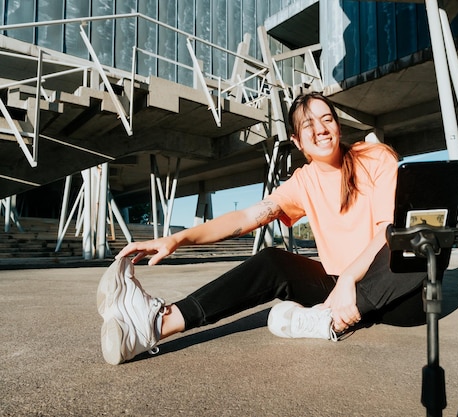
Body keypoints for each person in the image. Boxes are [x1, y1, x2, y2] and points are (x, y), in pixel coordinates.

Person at [97, 92, 427, 365]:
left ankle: (332, 320)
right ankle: (154, 325)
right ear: (298, 141)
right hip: (338, 290)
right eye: (308, 124)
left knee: (419, 244)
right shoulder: (303, 182)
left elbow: (388, 229)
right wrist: (178, 238)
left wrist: (349, 279)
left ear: (338, 128)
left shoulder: (374, 157)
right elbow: (245, 218)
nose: (321, 129)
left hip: (397, 295)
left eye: (327, 119)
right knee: (272, 261)